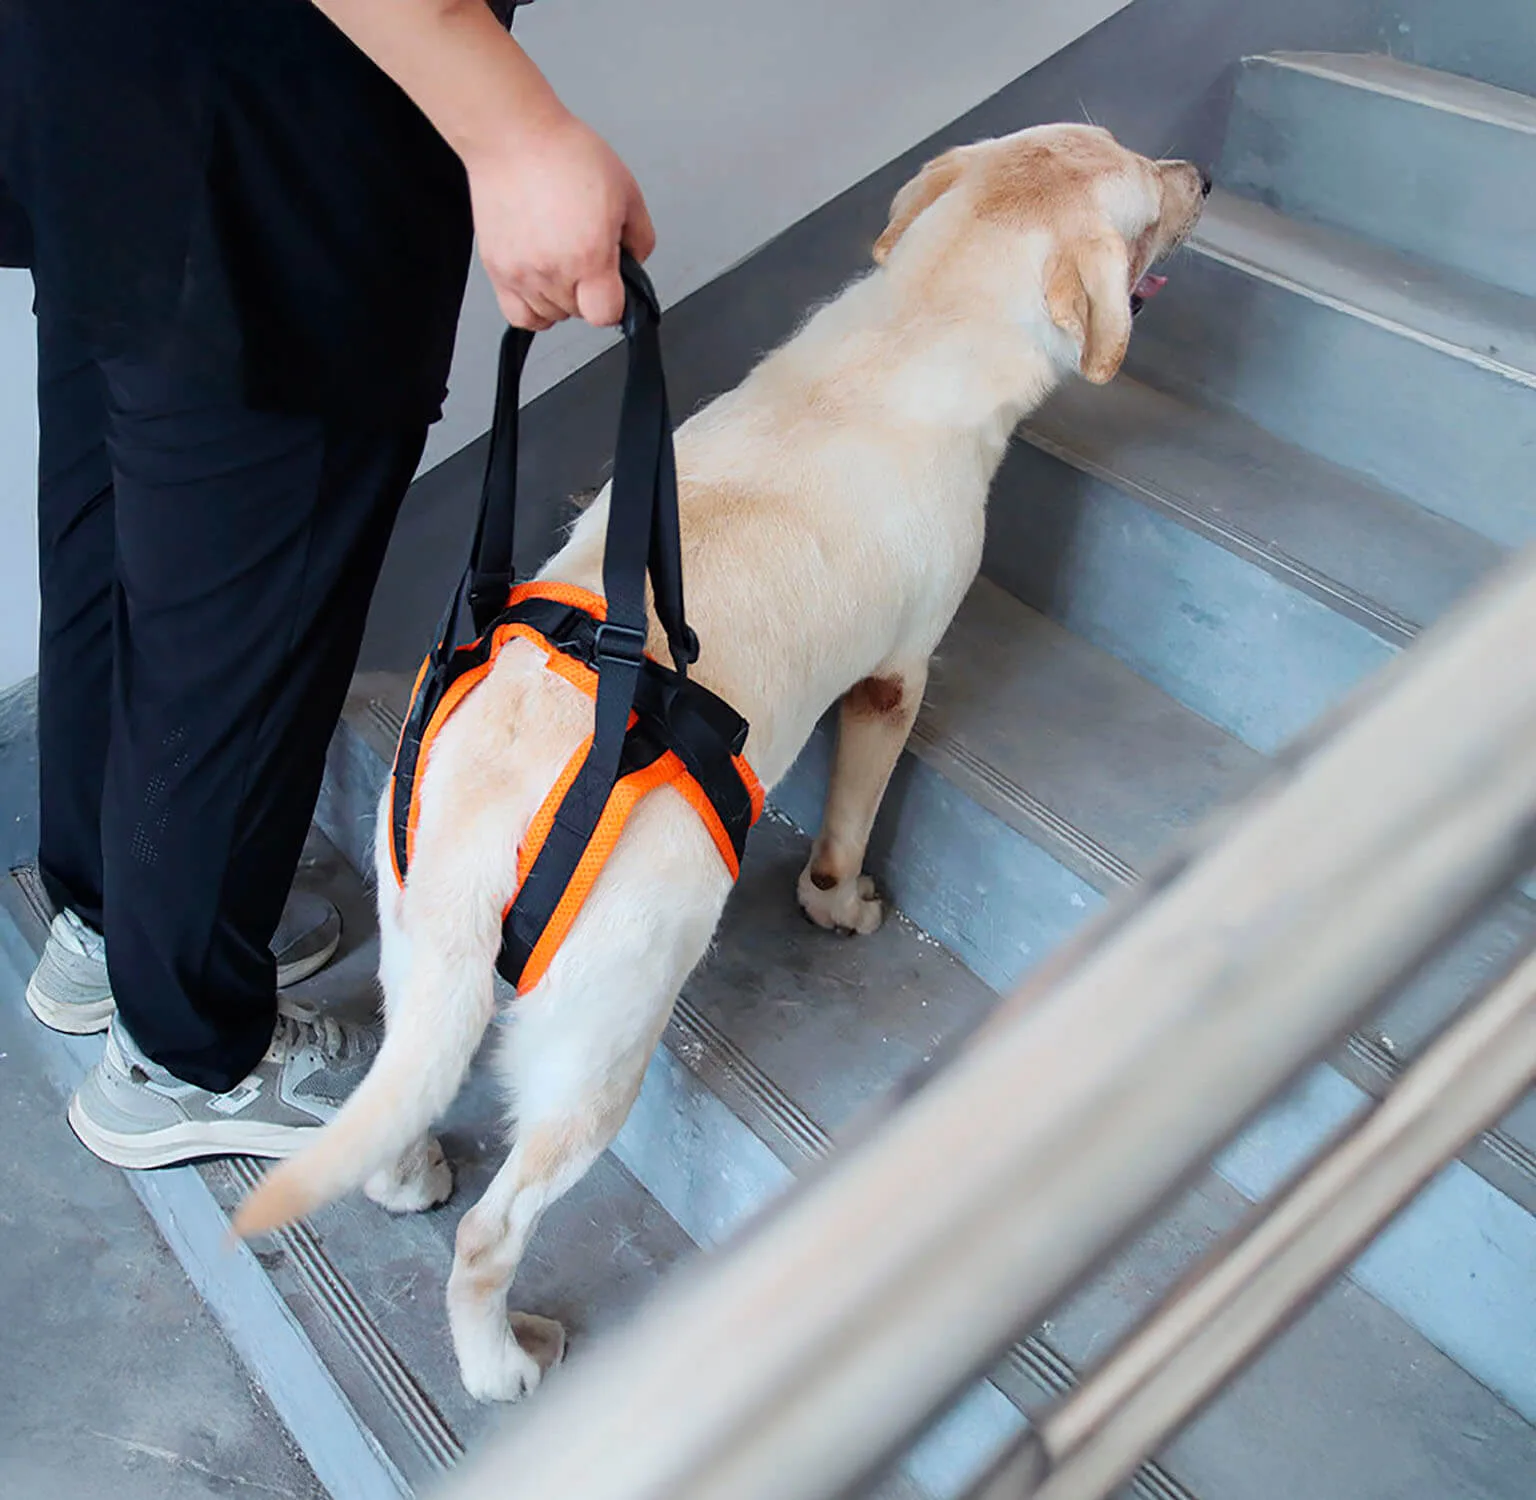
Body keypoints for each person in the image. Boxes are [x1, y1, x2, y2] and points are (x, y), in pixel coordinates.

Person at [1, 0, 654, 1166]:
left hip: (112, 68)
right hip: (272, 112)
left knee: (126, 516)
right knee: (243, 601)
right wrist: (516, 134)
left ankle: (109, 925)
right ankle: (185, 1052)